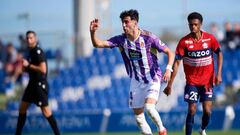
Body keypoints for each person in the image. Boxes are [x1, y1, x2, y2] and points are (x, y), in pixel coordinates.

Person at [90, 9, 174, 135]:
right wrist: (92, 33)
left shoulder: (148, 38)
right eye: (122, 23)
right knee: (139, 118)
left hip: (153, 78)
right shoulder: (121, 40)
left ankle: (162, 129)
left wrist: (168, 69)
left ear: (135, 22)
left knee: (150, 108)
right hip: (136, 81)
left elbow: (170, 52)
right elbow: (98, 44)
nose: (124, 25)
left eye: (126, 22)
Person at [163, 12, 223, 135]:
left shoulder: (210, 38)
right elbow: (177, 63)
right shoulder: (184, 42)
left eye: (195, 24)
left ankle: (202, 129)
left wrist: (219, 74)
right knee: (192, 109)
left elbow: (219, 53)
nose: (193, 27)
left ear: (200, 25)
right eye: (191, 25)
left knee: (207, 111)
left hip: (207, 82)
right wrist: (169, 85)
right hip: (192, 82)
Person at [15, 30, 60, 135]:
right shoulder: (29, 52)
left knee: (46, 112)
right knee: (22, 108)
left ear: (35, 39)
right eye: (27, 38)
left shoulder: (37, 51)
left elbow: (43, 69)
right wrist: (24, 68)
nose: (29, 40)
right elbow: (29, 68)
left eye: (31, 38)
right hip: (32, 84)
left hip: (39, 85)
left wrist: (28, 65)